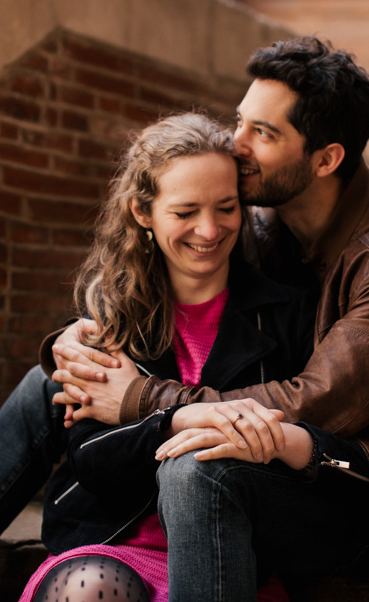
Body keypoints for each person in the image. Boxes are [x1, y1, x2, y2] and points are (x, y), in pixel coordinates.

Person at [50, 35, 369, 599]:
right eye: (241, 122)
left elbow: (315, 403)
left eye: (263, 134)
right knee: (54, 385)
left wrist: (145, 401)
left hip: (362, 493)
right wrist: (78, 342)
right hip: (269, 459)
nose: (236, 146)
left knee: (194, 467)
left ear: (326, 159)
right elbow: (153, 278)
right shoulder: (263, 221)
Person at [18, 112, 327, 602]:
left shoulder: (289, 311)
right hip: (114, 540)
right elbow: (93, 457)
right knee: (85, 592)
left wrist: (146, 412)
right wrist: (178, 421)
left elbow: (295, 433)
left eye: (226, 207)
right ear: (144, 213)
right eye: (185, 213)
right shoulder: (111, 313)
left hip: (232, 547)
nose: (209, 230)